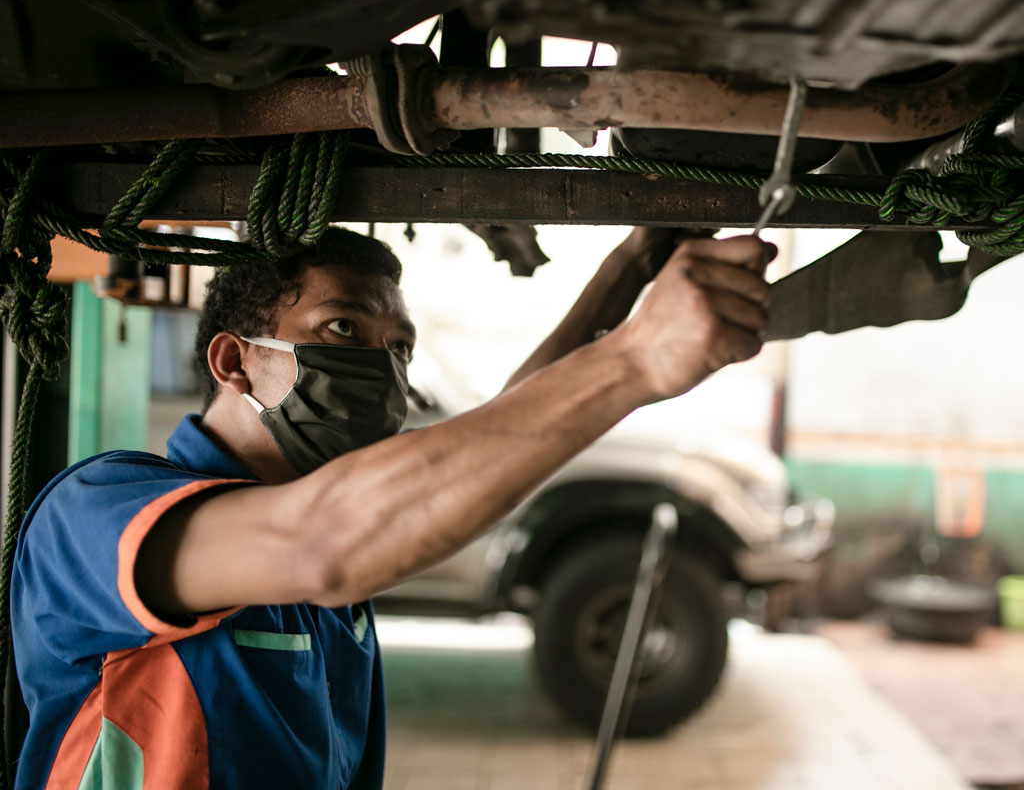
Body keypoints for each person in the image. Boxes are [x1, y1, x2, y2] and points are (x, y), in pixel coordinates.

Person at [10, 225, 771, 788]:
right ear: (234, 361)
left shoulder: (344, 513)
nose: (381, 367)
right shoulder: (96, 514)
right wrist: (637, 358)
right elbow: (321, 545)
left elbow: (498, 432)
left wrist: (631, 267)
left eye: (398, 347)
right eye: (343, 329)